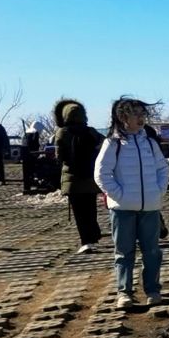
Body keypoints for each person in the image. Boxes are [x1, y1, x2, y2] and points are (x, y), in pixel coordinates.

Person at [94, 98, 169, 309]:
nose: (141, 118)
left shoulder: (150, 143)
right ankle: (124, 292)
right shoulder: (113, 144)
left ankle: (153, 290)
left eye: (142, 114)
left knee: (152, 251)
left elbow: (162, 169)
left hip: (150, 208)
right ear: (122, 117)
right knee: (124, 252)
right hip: (123, 209)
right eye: (135, 114)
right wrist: (120, 195)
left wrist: (158, 190)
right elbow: (101, 174)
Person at [53, 99, 105, 253]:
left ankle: (86, 240)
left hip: (73, 180)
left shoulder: (62, 132)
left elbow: (59, 156)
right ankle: (94, 234)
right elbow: (104, 145)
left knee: (79, 212)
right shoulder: (92, 131)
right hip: (90, 178)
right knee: (91, 209)